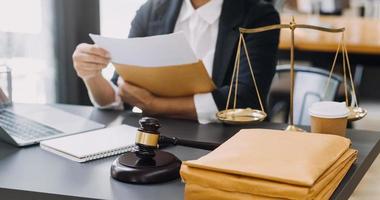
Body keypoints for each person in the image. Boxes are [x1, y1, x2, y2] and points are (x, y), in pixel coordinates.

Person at [72, 0, 280, 124]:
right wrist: (91, 75)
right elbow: (120, 96)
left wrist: (155, 105)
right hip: (159, 140)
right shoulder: (153, 10)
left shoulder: (259, 15)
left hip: (226, 142)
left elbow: (246, 100)